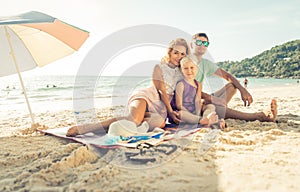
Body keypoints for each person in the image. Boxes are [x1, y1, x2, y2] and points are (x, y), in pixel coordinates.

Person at [66, 38, 189, 137]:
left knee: (158, 123)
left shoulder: (183, 72)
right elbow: (161, 91)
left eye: (182, 54)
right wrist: (171, 112)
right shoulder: (159, 67)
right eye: (176, 53)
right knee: (134, 120)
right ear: (170, 52)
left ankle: (108, 128)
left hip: (160, 108)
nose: (179, 56)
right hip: (147, 97)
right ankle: (87, 128)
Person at [190, 32, 277, 122]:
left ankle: (219, 109)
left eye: (205, 43)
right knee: (216, 108)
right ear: (191, 44)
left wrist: (243, 90)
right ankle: (259, 116)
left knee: (232, 86)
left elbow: (227, 76)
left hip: (201, 100)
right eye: (199, 42)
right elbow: (190, 90)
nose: (202, 45)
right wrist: (214, 99)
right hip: (189, 103)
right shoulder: (185, 63)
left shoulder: (205, 63)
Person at [170, 56, 225, 128]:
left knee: (210, 106)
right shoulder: (181, 84)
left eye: (192, 68)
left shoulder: (198, 84)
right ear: (181, 70)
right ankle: (203, 120)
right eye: (185, 68)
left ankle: (206, 119)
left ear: (196, 68)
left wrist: (197, 113)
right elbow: (179, 105)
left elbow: (198, 100)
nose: (189, 71)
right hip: (184, 111)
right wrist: (191, 114)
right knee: (180, 114)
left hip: (195, 111)